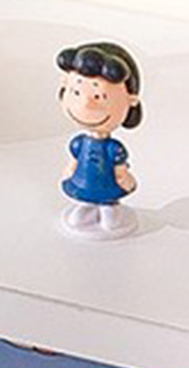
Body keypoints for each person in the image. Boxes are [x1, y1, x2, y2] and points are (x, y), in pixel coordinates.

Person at [56, 42, 142, 238]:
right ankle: (88, 206)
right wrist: (70, 170)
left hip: (108, 185)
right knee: (78, 216)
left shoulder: (113, 148)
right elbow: (74, 160)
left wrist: (123, 177)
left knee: (111, 221)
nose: (86, 104)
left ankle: (109, 207)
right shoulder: (79, 143)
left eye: (98, 96)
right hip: (83, 182)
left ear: (130, 101)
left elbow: (119, 167)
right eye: (76, 92)